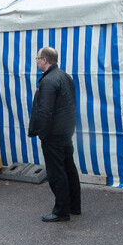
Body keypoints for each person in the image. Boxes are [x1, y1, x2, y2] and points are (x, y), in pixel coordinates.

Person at [28, 47, 80, 223]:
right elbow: (71, 104)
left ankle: (61, 211)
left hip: (53, 134)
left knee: (57, 172)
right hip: (65, 131)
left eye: (37, 58)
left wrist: (43, 133)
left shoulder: (48, 81)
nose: (36, 62)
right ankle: (74, 206)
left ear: (45, 60)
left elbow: (45, 111)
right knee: (69, 169)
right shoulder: (65, 76)